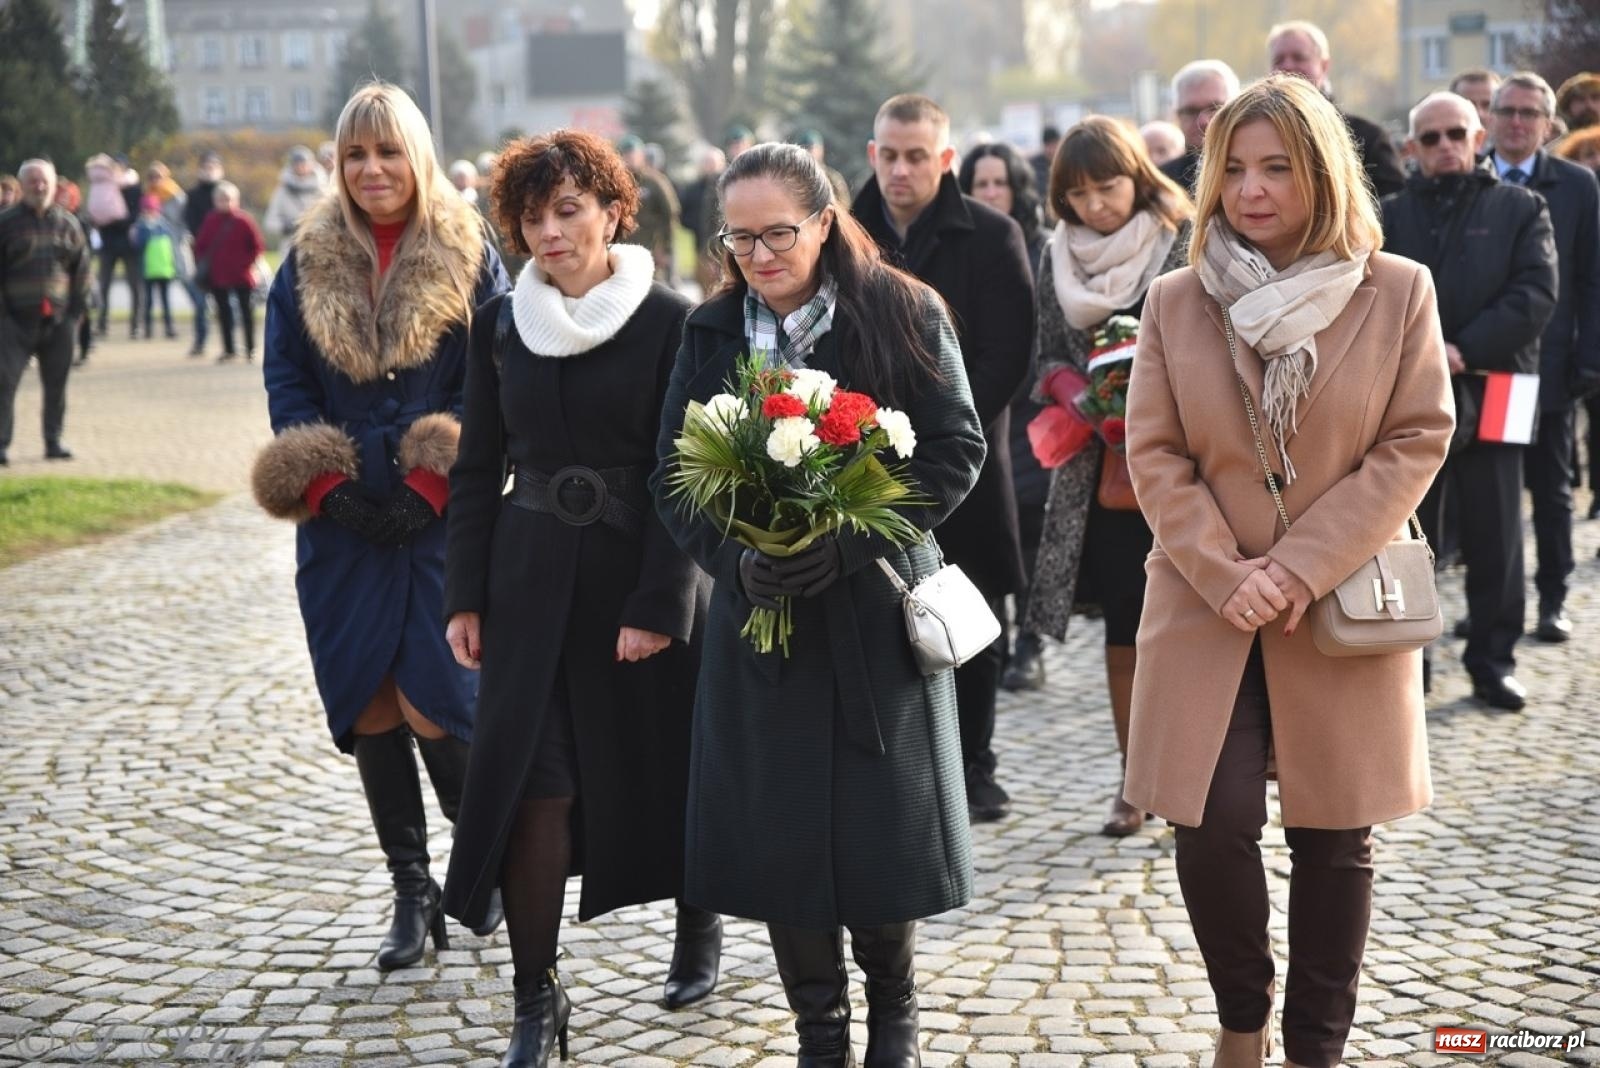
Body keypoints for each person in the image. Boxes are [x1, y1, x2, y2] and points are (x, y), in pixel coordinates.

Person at [1124, 74, 1456, 1068]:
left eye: (1276, 167)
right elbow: (1155, 453)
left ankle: (1314, 1045)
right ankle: (1242, 1016)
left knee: (1332, 837)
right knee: (1209, 822)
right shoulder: (1175, 301)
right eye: (1232, 168)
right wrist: (1228, 572)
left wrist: (1299, 566)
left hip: (1345, 598)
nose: (1251, 189)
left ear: (1320, 173)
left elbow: (1414, 439)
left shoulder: (1396, 290)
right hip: (1204, 601)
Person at [651, 140, 986, 1068]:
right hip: (763, 623)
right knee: (782, 835)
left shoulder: (901, 308)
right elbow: (672, 478)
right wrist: (735, 559)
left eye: (779, 234)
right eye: (740, 238)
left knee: (880, 831)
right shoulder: (712, 330)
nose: (759, 256)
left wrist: (852, 539)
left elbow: (955, 449)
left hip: (874, 616)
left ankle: (894, 1018)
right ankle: (820, 1035)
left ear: (827, 221)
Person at [441, 129, 720, 1068]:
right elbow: (478, 469)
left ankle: (699, 926)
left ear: (611, 210)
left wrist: (659, 602)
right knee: (535, 790)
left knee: (669, 769)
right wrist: (463, 595)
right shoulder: (497, 324)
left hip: (637, 584)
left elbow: (688, 474)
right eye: (531, 216)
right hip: (526, 592)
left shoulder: (671, 321)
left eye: (569, 210)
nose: (550, 233)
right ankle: (535, 999)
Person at [248, 83, 511, 977]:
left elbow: (493, 384)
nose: (372, 171)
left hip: (444, 522)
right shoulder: (305, 261)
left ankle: (483, 862)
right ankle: (413, 890)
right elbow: (286, 384)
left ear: (418, 156)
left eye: (388, 152)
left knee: (443, 704)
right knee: (368, 705)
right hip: (342, 525)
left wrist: (435, 486)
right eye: (355, 155)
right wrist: (326, 488)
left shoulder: (471, 251)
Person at [854, 93, 1035, 823]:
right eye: (889, 156)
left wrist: (941, 428)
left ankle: (974, 764)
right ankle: (901, 770)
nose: (901, 170)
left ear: (946, 158)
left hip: (965, 459)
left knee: (975, 614)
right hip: (861, 457)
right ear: (873, 155)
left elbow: (1008, 352)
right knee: (882, 610)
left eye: (917, 156)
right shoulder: (844, 233)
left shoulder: (991, 236)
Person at [1024, 117, 1194, 838]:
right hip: (1105, 474)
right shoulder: (1055, 256)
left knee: (1194, 625)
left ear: (1138, 176)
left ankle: (1201, 776)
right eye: (1081, 193)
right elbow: (1044, 353)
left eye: (1110, 185)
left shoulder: (1180, 239)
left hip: (1191, 466)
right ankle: (1136, 782)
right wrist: (1074, 390)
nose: (1097, 204)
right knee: (1125, 627)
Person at [1383, 92, 1557, 708]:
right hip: (1409, 391)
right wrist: (1429, 355)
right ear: (1411, 148)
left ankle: (1492, 659)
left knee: (1499, 530)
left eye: (1456, 133)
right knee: (1408, 532)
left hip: (1500, 381)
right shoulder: (1389, 215)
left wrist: (1460, 350)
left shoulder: (1521, 206)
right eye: (1429, 138)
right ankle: (1410, 663)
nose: (1445, 145)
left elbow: (1535, 293)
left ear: (1478, 137)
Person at [1484, 71, 1600, 644]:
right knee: (1500, 490)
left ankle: (1552, 597)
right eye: (1507, 110)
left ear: (1548, 125)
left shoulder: (1577, 186)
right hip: (1498, 371)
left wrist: (1590, 355)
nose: (1516, 122)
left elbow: (1592, 278)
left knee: (1552, 491)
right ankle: (1493, 599)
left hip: (1550, 368)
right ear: (1490, 117)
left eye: (1529, 113)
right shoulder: (1470, 176)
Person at [956, 141, 1051, 693]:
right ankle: (996, 635)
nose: (991, 193)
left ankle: (1030, 645)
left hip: (1034, 406)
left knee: (1032, 526)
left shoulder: (1039, 248)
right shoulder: (969, 245)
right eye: (981, 184)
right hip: (986, 408)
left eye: (1000, 183)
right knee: (997, 527)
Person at [0, 159, 90, 465]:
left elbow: (81, 271)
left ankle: (53, 441)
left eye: (44, 182)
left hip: (58, 320)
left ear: (54, 186)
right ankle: (1, 444)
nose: (39, 187)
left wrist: (76, 312)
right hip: (14, 321)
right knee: (4, 383)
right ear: (22, 185)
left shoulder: (68, 224)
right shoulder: (6, 223)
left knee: (57, 385)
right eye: (33, 182)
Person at [1268, 21, 1405, 197]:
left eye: (1299, 57)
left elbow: (1390, 212)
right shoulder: (1255, 136)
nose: (1287, 66)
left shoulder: (1368, 139)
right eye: (1278, 60)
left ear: (1324, 65)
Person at [193, 182, 266, 362]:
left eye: (228, 199)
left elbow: (257, 246)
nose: (224, 203)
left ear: (236, 200)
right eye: (221, 199)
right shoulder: (211, 220)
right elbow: (200, 246)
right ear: (215, 201)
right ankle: (229, 349)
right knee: (223, 314)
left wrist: (247, 264)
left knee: (247, 313)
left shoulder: (244, 220)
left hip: (242, 275)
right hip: (218, 276)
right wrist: (204, 264)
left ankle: (250, 349)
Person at [85, 153, 143, 338]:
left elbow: (135, 214)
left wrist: (115, 220)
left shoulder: (133, 187)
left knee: (134, 285)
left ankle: (136, 324)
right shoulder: (102, 186)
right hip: (108, 242)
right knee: (104, 285)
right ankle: (102, 323)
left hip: (128, 242)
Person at [1162, 60, 1240, 192]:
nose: (1204, 121)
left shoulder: (1271, 167)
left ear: (1238, 107)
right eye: (1191, 111)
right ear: (1176, 116)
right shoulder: (1164, 184)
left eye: (1215, 108)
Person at [616, 134, 681, 283]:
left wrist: (666, 248)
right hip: (623, 250)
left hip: (651, 249)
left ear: (641, 155)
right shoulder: (616, 183)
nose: (630, 158)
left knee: (653, 292)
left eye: (633, 154)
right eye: (626, 154)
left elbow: (670, 214)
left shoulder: (655, 181)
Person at [183, 152, 224, 357]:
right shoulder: (193, 195)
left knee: (225, 302)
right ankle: (200, 340)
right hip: (202, 256)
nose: (210, 169)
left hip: (224, 257)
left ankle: (230, 344)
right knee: (200, 302)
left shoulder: (226, 191)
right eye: (206, 166)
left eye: (213, 165)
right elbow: (189, 222)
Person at [131, 194, 179, 339]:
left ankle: (169, 327)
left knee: (166, 301)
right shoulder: (140, 227)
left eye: (152, 210)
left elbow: (171, 248)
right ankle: (148, 329)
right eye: (146, 210)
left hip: (164, 270)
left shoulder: (164, 226)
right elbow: (138, 246)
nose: (149, 213)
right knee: (148, 302)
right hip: (148, 270)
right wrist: (145, 229)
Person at [262, 145, 327, 247]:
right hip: (291, 245)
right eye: (297, 163)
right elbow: (270, 221)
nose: (301, 167)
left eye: (304, 163)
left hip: (319, 243)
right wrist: (286, 226)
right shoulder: (282, 191)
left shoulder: (324, 189)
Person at [795, 129, 852, 205]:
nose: (810, 152)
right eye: (805, 148)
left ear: (821, 150)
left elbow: (844, 205)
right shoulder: (794, 178)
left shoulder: (832, 178)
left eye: (812, 148)